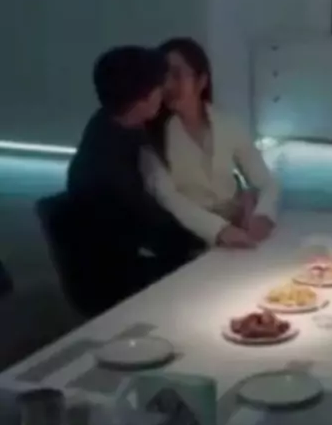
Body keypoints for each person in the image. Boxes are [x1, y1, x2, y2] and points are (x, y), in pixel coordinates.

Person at [67, 46, 204, 304]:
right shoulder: (108, 170)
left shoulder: (113, 122)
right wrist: (212, 233)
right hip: (117, 276)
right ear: (144, 99)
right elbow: (156, 227)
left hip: (134, 250)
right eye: (159, 87)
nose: (164, 92)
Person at [140, 38, 279, 249]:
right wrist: (220, 230)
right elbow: (169, 198)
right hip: (189, 241)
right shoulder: (152, 137)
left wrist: (263, 214)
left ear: (201, 81)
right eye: (163, 77)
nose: (168, 85)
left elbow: (266, 181)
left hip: (240, 229)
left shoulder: (228, 123)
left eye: (177, 75)